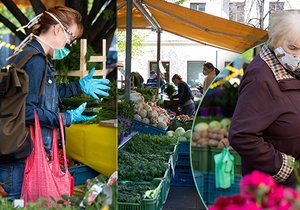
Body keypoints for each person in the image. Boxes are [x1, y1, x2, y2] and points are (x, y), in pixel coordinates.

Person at [0, 6, 110, 199]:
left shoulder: (36, 56)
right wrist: (65, 117)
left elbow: (41, 96)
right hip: (19, 154)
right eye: (71, 38)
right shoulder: (35, 61)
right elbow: (27, 111)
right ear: (57, 29)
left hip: (18, 151)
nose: (70, 44)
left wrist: (79, 86)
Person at [229, 10, 300, 187]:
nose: (298, 56)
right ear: (275, 40)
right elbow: (242, 135)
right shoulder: (260, 78)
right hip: (270, 190)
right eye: (292, 48)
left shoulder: (290, 68)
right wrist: (287, 169)